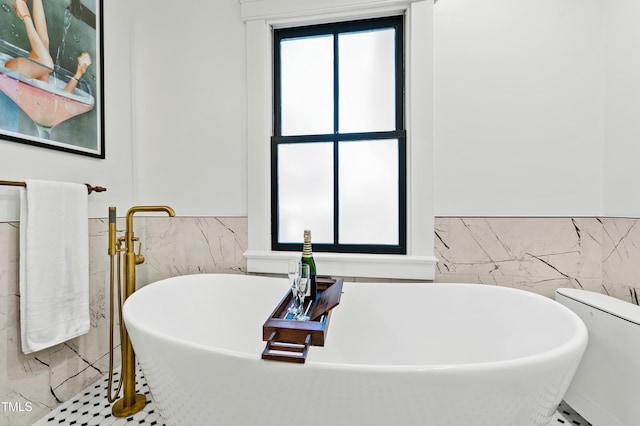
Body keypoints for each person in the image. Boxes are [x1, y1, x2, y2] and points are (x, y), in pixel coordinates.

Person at [6, 0, 91, 93]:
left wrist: (26, 18)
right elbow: (64, 98)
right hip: (20, 74)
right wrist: (79, 73)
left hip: (12, 71)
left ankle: (24, 13)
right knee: (45, 45)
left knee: (45, 60)